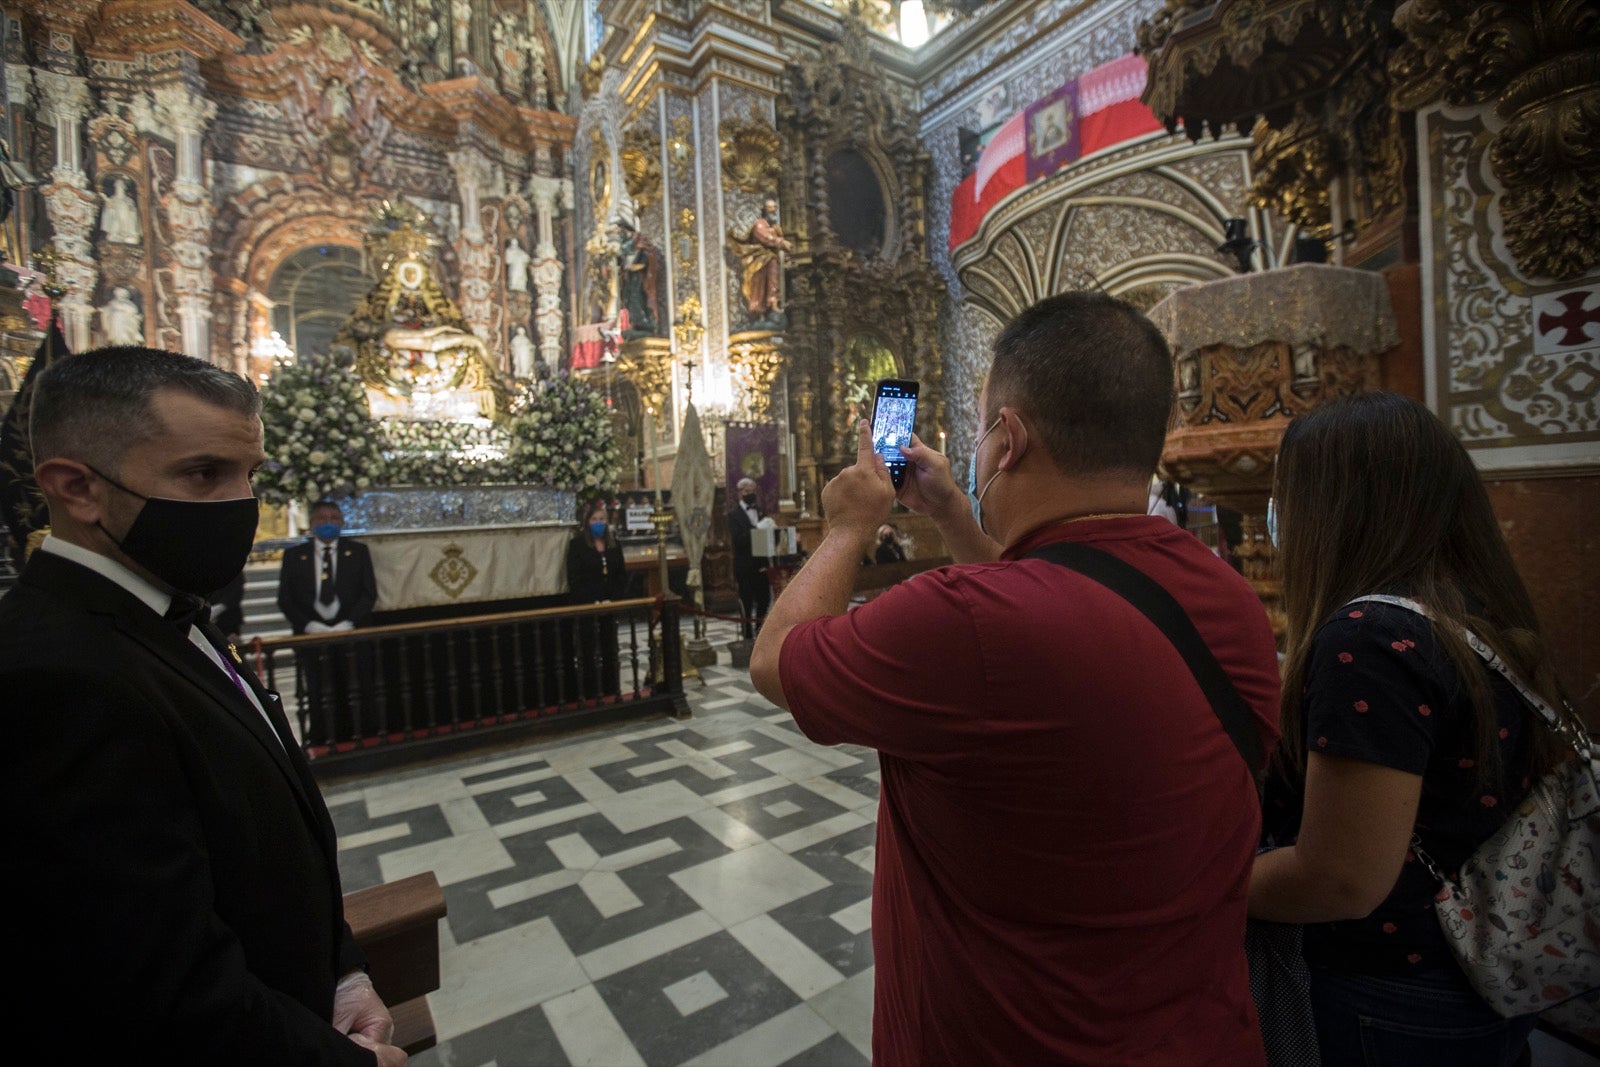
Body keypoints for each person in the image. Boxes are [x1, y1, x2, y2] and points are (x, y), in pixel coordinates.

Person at [749, 292, 1281, 1065]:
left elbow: (778, 657)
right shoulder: (1229, 596)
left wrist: (850, 524)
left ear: (1009, 438)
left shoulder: (965, 621)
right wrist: (961, 520)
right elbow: (1074, 605)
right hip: (1201, 1035)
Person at [0, 345, 404, 1066]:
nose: (241, 504)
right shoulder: (55, 675)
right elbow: (158, 982)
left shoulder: (160, 602)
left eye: (249, 474)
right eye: (203, 473)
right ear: (77, 487)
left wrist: (342, 971)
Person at [1249, 392, 1568, 1066]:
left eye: (1285, 492)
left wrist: (1199, 888)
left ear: (1336, 506)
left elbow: (1341, 876)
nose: (1275, 515)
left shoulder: (1369, 639)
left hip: (1391, 994)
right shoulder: (1466, 612)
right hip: (1477, 973)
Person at [278, 500, 379, 741]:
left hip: (350, 635)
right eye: (322, 519)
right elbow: (285, 598)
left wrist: (350, 622)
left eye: (334, 518)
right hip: (311, 637)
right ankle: (323, 734)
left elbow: (368, 594)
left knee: (355, 685)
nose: (328, 523)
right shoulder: (294, 556)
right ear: (312, 523)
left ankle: (361, 731)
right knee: (317, 688)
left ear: (342, 522)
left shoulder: (358, 552)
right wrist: (308, 625)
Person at [565, 501, 629, 697]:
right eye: (595, 519)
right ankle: (590, 691)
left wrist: (613, 599)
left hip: (609, 605)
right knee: (588, 649)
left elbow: (620, 575)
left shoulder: (614, 544)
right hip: (587, 605)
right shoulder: (577, 545)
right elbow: (575, 577)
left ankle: (612, 687)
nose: (599, 523)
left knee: (610, 648)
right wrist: (592, 600)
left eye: (602, 519)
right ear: (587, 522)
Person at [726, 476, 770, 640]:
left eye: (752, 491)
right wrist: (757, 529)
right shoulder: (733, 515)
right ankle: (747, 635)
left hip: (761, 564)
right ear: (739, 493)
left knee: (764, 599)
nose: (749, 494)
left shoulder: (760, 511)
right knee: (747, 601)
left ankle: (760, 632)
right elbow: (738, 539)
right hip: (744, 565)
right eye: (746, 491)